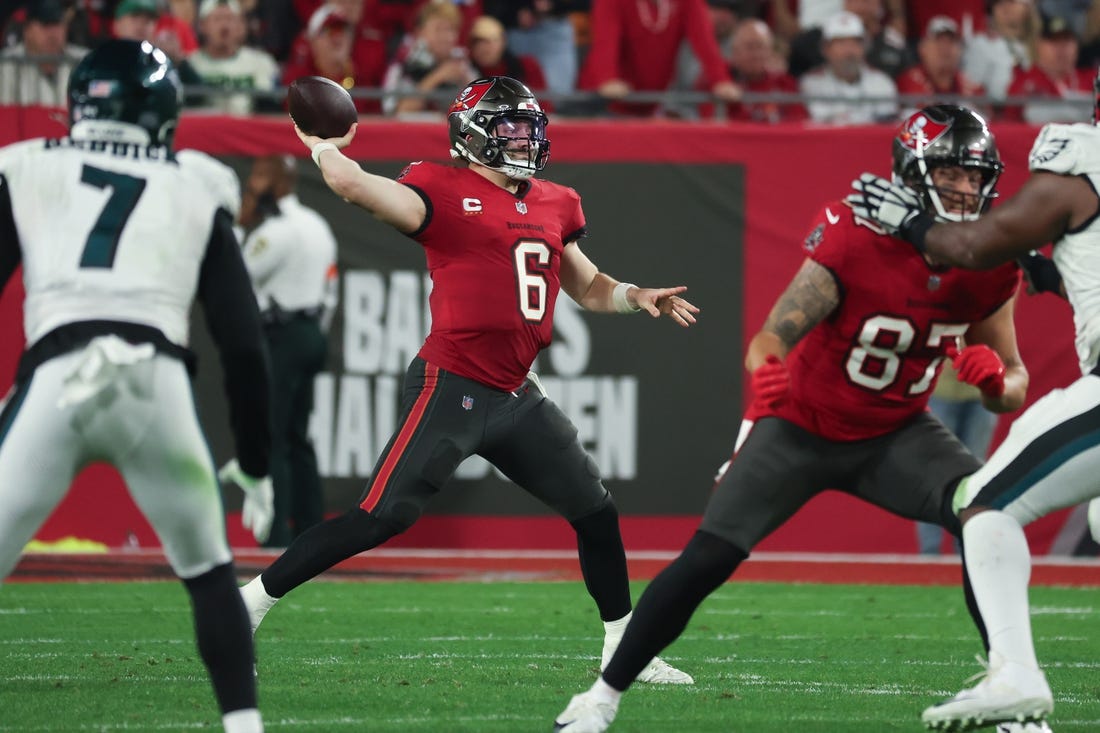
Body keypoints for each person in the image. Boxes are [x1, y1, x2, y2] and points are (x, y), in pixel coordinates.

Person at [553, 104, 1028, 732]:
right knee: (708, 558)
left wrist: (996, 383)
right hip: (802, 426)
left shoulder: (992, 257)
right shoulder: (857, 235)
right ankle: (600, 700)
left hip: (899, 433)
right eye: (952, 173)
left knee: (987, 515)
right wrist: (768, 370)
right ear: (914, 171)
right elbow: (771, 338)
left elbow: (1015, 381)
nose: (967, 188)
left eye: (976, 176)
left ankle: (1012, 691)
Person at [239, 75, 700, 687]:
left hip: (516, 395)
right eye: (509, 126)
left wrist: (638, 295)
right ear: (473, 132)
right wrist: (324, 143)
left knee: (595, 511)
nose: (524, 138)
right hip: (452, 382)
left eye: (530, 126)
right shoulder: (440, 186)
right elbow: (353, 186)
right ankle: (246, 605)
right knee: (380, 518)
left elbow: (588, 286)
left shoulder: (555, 201)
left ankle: (625, 651)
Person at [0, 40, 273, 733]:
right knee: (210, 572)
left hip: (58, 376)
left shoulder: (27, 164)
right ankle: (244, 726)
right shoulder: (197, 181)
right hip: (155, 381)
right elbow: (243, 341)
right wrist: (258, 458)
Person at [846, 68, 1100, 733]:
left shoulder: (1080, 163)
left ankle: (1014, 676)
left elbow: (972, 243)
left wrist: (906, 220)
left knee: (983, 501)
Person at [228, 154, 338, 548]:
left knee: (272, 434)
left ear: (279, 183)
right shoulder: (317, 225)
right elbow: (331, 291)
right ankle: (310, 531)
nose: (253, 184)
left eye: (259, 175)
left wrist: (242, 225)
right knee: (298, 436)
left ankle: (274, 534)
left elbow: (235, 276)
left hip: (284, 334)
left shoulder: (274, 232)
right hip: (311, 332)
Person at [799, 10, 899, 124]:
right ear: (825, 49)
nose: (849, 51)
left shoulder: (881, 82)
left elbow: (888, 125)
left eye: (855, 43)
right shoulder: (811, 83)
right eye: (841, 43)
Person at [0, 0, 87, 106]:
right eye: (45, 25)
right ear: (27, 30)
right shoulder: (6, 64)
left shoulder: (84, 62)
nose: (53, 34)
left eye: (57, 24)